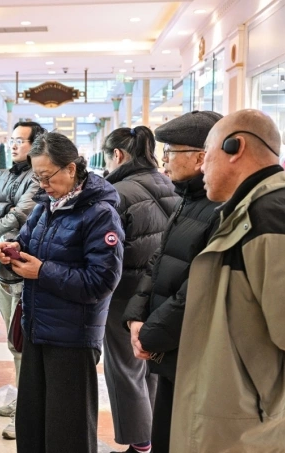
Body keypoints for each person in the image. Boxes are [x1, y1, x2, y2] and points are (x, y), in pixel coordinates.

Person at [170, 109, 285, 452]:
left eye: (207, 155)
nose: (201, 167)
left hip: (256, 423)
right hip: (249, 414)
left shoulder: (268, 216)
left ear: (235, 147)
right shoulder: (253, 211)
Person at [0, 132, 124, 453]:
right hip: (38, 330)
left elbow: (101, 281)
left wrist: (42, 271)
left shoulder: (100, 214)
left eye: (46, 176)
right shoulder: (45, 207)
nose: (42, 184)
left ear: (70, 168)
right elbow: (27, 248)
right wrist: (11, 254)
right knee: (34, 426)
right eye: (37, 177)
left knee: (68, 433)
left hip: (72, 338)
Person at [122, 111, 223, 453]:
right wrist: (137, 316)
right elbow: (159, 261)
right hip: (170, 350)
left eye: (170, 153)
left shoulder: (219, 207)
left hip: (192, 351)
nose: (164, 164)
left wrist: (150, 333)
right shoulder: (188, 200)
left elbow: (198, 284)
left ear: (199, 157)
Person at [102, 126, 178, 453]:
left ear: (117, 155)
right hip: (161, 289)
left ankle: (140, 443)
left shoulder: (115, 192)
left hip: (124, 293)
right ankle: (153, 436)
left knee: (124, 367)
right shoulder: (171, 183)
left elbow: (107, 251)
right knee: (151, 364)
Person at [0, 121, 45, 440]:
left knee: (24, 344)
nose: (13, 145)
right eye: (12, 140)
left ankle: (27, 411)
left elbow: (19, 217)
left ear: (35, 144)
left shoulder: (38, 177)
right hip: (2, 270)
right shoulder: (7, 175)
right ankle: (23, 398)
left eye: (20, 140)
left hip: (24, 270)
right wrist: (2, 212)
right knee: (12, 342)